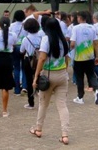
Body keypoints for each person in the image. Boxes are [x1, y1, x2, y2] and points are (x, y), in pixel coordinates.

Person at [31, 15, 71, 145]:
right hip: (62, 74)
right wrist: (65, 70)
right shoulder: (63, 40)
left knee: (43, 103)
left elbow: (42, 58)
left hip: (48, 75)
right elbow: (67, 57)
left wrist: (36, 76)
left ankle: (38, 129)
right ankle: (65, 134)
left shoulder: (46, 39)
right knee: (62, 105)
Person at [70, 11, 98, 105]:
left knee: (79, 77)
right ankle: (96, 89)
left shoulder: (75, 28)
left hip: (79, 57)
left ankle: (80, 97)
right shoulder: (92, 27)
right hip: (90, 56)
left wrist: (70, 49)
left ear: (79, 18)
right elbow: (95, 43)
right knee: (91, 75)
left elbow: (72, 43)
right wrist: (97, 56)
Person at [20, 17, 44, 110]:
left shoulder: (25, 39)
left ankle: (31, 102)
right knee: (40, 79)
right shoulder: (41, 37)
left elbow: (22, 50)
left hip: (28, 60)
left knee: (29, 80)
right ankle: (42, 100)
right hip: (39, 59)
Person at [10, 10, 26, 95]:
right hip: (24, 47)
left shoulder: (12, 25)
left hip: (15, 47)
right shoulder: (25, 25)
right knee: (24, 67)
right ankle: (24, 86)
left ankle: (17, 89)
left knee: (16, 68)